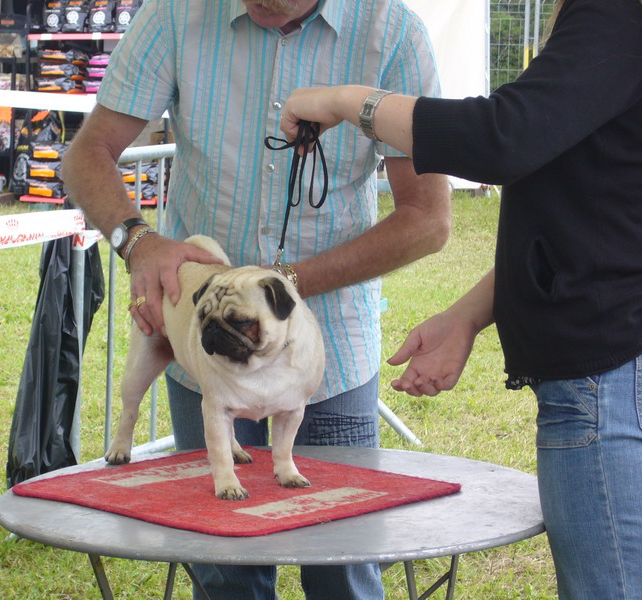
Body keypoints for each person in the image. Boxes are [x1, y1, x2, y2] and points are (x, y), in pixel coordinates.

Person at [62, 1, 451, 598]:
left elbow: (428, 220)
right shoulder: (174, 15)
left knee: (343, 568)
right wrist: (137, 242)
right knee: (223, 571)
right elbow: (87, 153)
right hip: (206, 354)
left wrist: (283, 286)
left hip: (331, 354)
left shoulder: (392, 32)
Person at [279, 0, 642, 598]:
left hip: (609, 377)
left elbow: (505, 136)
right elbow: (596, 207)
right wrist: (469, 315)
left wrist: (350, 102)